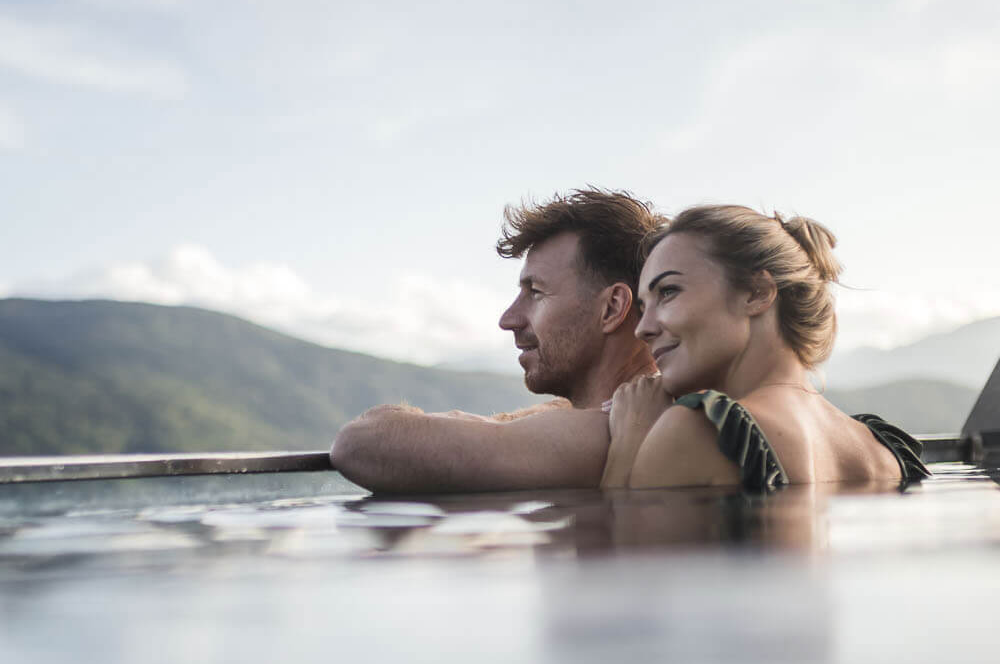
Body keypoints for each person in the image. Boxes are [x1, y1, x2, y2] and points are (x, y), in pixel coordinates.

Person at [331, 189, 667, 492]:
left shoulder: (602, 432)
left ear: (612, 308)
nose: (508, 319)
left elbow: (360, 444)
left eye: (535, 292)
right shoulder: (623, 415)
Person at [601, 205, 929, 492]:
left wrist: (629, 441)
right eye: (644, 307)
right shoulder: (885, 450)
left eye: (668, 292)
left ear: (757, 292)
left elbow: (624, 558)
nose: (643, 328)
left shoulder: (697, 429)